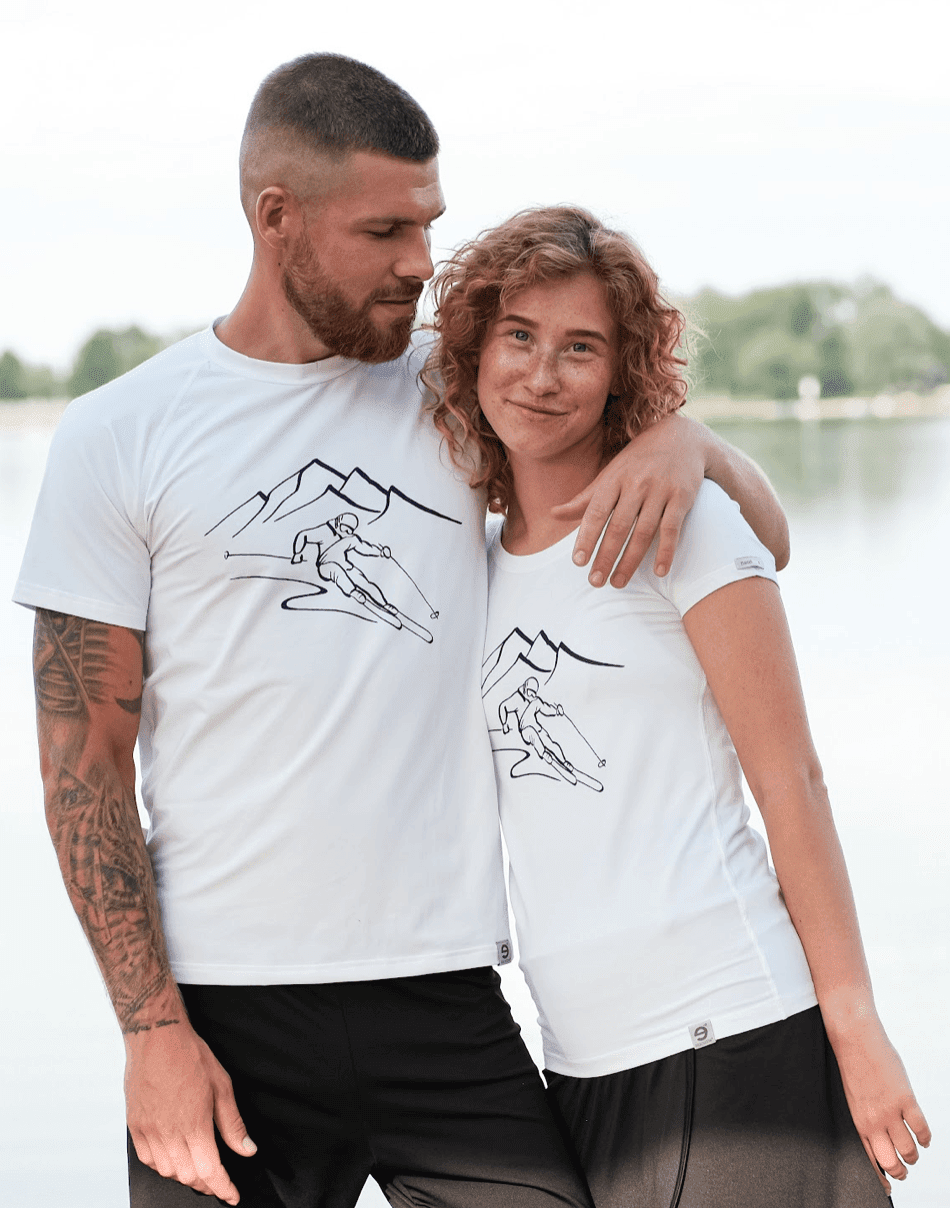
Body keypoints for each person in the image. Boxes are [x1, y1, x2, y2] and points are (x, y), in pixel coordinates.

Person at [15, 57, 789, 1208]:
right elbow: (81, 768)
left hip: (447, 999)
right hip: (223, 1014)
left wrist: (687, 439)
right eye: (383, 230)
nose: (420, 262)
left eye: (426, 223)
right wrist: (150, 1032)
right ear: (275, 217)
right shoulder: (117, 435)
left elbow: (765, 538)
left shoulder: (461, 389)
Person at [425, 205, 931, 1207]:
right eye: (518, 336)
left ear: (622, 371)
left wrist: (854, 1019)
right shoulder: (468, 567)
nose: (541, 374)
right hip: (579, 1066)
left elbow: (790, 780)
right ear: (475, 349)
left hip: (730, 1032)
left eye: (581, 347)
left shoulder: (681, 523)